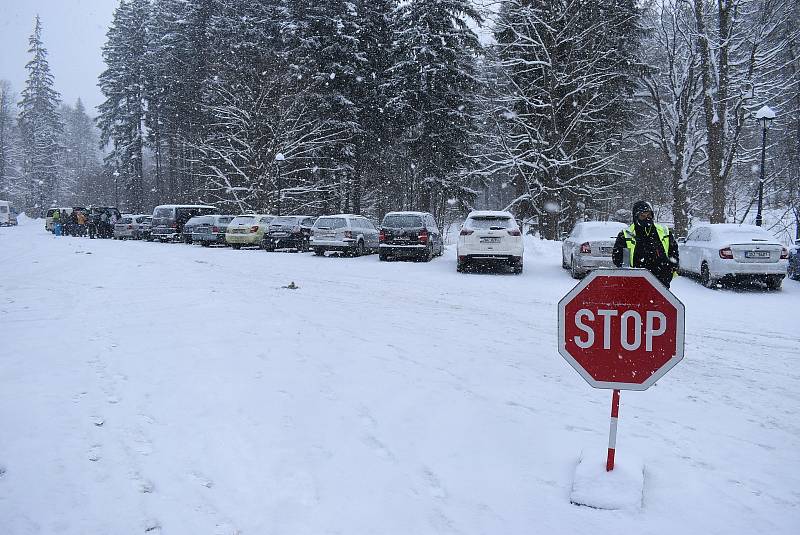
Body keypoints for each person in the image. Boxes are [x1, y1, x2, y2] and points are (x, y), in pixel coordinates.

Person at [612, 201, 679, 288]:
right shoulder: (626, 234)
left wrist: (670, 268)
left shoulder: (663, 231)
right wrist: (629, 273)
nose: (647, 218)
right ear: (636, 217)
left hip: (661, 281)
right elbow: (620, 259)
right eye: (642, 216)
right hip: (635, 282)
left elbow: (673, 251)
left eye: (649, 215)